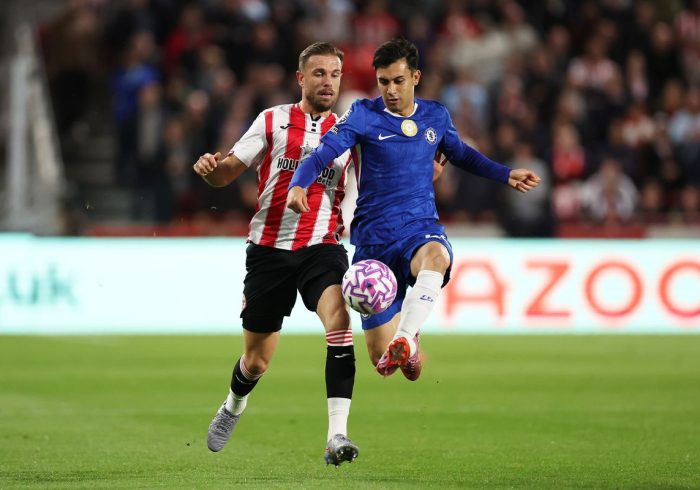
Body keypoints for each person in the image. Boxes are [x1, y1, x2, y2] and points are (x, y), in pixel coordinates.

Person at [287, 38, 540, 380]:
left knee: (436, 256)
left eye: (398, 80)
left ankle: (405, 336)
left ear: (416, 77)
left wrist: (505, 174)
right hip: (374, 241)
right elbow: (322, 153)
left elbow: (462, 154)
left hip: (418, 228)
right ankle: (411, 347)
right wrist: (298, 184)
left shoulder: (435, 115)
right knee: (382, 362)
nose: (390, 90)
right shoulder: (363, 115)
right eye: (383, 82)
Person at [193, 42, 359, 466]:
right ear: (301, 78)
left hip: (322, 247)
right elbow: (229, 171)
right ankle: (233, 405)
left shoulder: (349, 133)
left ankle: (336, 436)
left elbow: (371, 189)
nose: (328, 82)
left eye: (335, 74)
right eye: (319, 73)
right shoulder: (272, 120)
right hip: (268, 250)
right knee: (256, 361)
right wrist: (212, 171)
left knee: (340, 322)